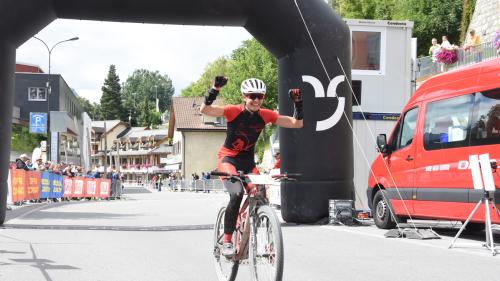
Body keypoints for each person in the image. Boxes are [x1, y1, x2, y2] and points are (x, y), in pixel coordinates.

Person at [200, 76, 303, 257]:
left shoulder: (266, 115)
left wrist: (299, 104)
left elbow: (297, 123)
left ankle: (267, 242)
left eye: (260, 96)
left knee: (260, 196)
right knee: (237, 194)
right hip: (228, 160)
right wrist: (215, 88)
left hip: (248, 163)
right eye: (252, 96)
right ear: (243, 96)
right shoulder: (233, 111)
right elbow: (205, 110)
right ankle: (227, 241)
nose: (256, 100)